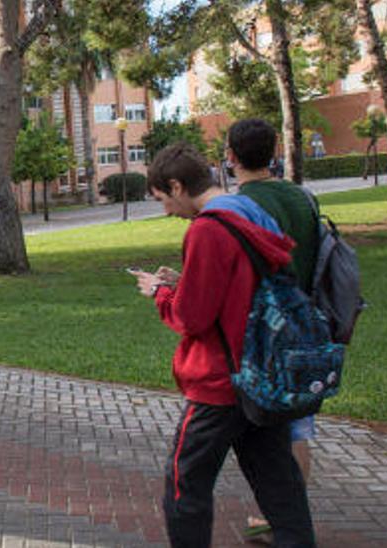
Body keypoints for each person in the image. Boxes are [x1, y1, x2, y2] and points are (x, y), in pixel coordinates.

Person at [131, 143, 315, 548]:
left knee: (184, 484)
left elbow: (192, 318)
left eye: (163, 199)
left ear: (178, 186)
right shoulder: (250, 213)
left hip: (219, 381)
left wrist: (161, 293)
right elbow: (239, 287)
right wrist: (186, 283)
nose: (165, 210)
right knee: (278, 483)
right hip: (260, 373)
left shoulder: (207, 229)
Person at [223, 118, 324, 542]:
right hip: (308, 320)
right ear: (274, 151)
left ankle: (283, 519)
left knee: (267, 428)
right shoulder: (304, 198)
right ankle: (289, 517)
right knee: (297, 424)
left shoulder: (241, 205)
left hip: (265, 328)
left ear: (230, 156)